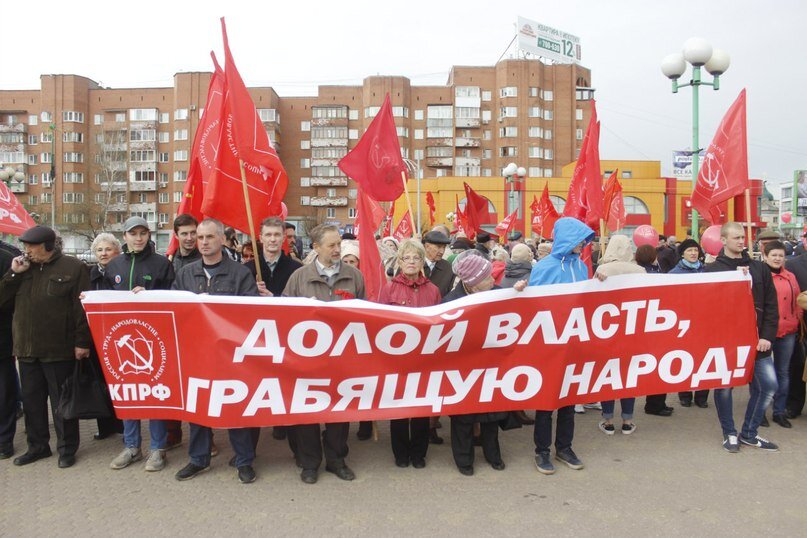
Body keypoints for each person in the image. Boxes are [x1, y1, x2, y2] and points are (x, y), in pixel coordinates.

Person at [172, 218, 262, 484]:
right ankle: (198, 459)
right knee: (199, 408)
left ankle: (244, 460)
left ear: (222, 239)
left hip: (230, 355)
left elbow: (250, 314)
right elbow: (174, 309)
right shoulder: (186, 273)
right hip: (197, 354)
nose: (203, 242)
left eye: (209, 237)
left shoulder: (239, 274)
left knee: (235, 408)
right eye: (200, 238)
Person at [0, 225, 90, 468]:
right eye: (25, 246)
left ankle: (67, 449)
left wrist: (82, 342)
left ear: (49, 246)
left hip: (59, 349)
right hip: (27, 351)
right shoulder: (21, 268)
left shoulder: (73, 268)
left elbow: (81, 309)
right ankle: (38, 447)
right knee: (32, 403)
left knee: (62, 404)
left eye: (32, 246)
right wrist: (13, 274)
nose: (27, 251)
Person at [282, 224, 365, 484]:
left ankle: (337, 460)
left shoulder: (354, 276)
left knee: (339, 414)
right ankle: (309, 463)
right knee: (307, 414)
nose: (338, 249)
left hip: (343, 360)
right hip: (307, 362)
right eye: (331, 245)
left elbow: (363, 314)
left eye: (339, 244)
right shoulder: (298, 278)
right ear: (316, 248)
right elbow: (283, 316)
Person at [443, 250, 526, 475]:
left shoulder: (497, 293)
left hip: (491, 366)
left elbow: (517, 308)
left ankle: (493, 456)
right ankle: (464, 460)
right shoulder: (451, 302)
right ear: (474, 282)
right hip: (463, 368)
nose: (493, 280)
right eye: (488, 277)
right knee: (462, 418)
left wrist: (518, 293)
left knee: (492, 416)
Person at [105, 216, 175, 471]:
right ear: (124, 236)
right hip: (121, 340)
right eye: (132, 233)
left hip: (153, 340)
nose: (138, 238)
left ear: (148, 235)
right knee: (128, 394)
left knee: (154, 394)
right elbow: (104, 300)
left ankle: (158, 448)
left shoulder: (161, 264)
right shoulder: (114, 266)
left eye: (142, 233)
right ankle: (132, 446)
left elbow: (172, 297)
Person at [705, 222, 779, 452]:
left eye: (742, 237)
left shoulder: (759, 268)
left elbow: (770, 306)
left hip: (758, 341)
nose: (741, 241)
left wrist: (767, 335)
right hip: (726, 341)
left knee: (768, 385)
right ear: (724, 240)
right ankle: (729, 433)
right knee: (724, 387)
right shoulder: (712, 270)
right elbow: (704, 309)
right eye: (736, 237)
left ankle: (749, 432)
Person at [528, 217, 593, 475]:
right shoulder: (543, 267)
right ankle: (541, 451)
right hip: (549, 342)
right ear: (568, 239)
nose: (583, 245)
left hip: (573, 342)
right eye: (579, 240)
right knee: (546, 401)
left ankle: (564, 447)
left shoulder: (582, 267)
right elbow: (533, 305)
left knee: (568, 400)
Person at [377, 239, 442, 468]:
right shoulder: (389, 288)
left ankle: (419, 454)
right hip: (398, 360)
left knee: (421, 409)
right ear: (400, 261)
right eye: (406, 258)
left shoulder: (432, 290)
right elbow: (380, 324)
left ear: (422, 261)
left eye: (416, 257)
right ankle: (400, 453)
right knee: (399, 409)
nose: (411, 262)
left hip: (424, 359)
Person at [245, 217, 303, 442]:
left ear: (284, 238)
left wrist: (276, 299)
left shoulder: (296, 269)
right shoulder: (248, 269)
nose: (272, 239)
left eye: (276, 235)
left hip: (287, 339)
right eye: (268, 235)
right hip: (256, 340)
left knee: (287, 388)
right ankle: (250, 447)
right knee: (255, 389)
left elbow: (303, 304)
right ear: (260, 238)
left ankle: (290, 435)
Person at [593, 235, 646, 435]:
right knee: (628, 376)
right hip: (632, 330)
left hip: (607, 330)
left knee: (609, 376)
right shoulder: (640, 271)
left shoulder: (602, 270)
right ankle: (627, 419)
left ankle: (607, 419)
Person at [87, 233, 124, 440]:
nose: (103, 253)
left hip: (117, 335)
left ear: (116, 251)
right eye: (100, 250)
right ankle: (105, 425)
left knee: (117, 381)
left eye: (108, 249)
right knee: (100, 382)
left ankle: (122, 424)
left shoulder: (122, 271)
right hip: (95, 336)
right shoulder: (89, 274)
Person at [762, 240, 801, 429]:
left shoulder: (790, 276)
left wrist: (795, 320)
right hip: (765, 333)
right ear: (765, 257)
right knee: (763, 375)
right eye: (774, 255)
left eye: (780, 255)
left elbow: (797, 301)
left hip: (788, 331)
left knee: (783, 373)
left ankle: (779, 411)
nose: (777, 258)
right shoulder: (760, 275)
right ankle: (760, 411)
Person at [670, 239, 710, 408]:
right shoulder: (673, 274)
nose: (693, 253)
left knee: (704, 359)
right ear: (682, 254)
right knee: (685, 359)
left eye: (695, 250)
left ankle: (702, 395)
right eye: (689, 250)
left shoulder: (707, 272)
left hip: (704, 322)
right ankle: (685, 394)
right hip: (683, 322)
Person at [635, 243, 673, 416]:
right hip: (653, 324)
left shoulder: (654, 270)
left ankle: (658, 403)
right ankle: (654, 404)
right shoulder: (645, 273)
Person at [0, 241, 20, 460]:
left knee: (4, 393)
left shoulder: (7, 257)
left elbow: (12, 300)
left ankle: (4, 440)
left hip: (2, 337)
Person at [422, 230, 454, 297]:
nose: (442, 252)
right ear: (427, 246)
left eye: (444, 247)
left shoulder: (448, 268)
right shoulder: (412, 265)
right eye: (438, 247)